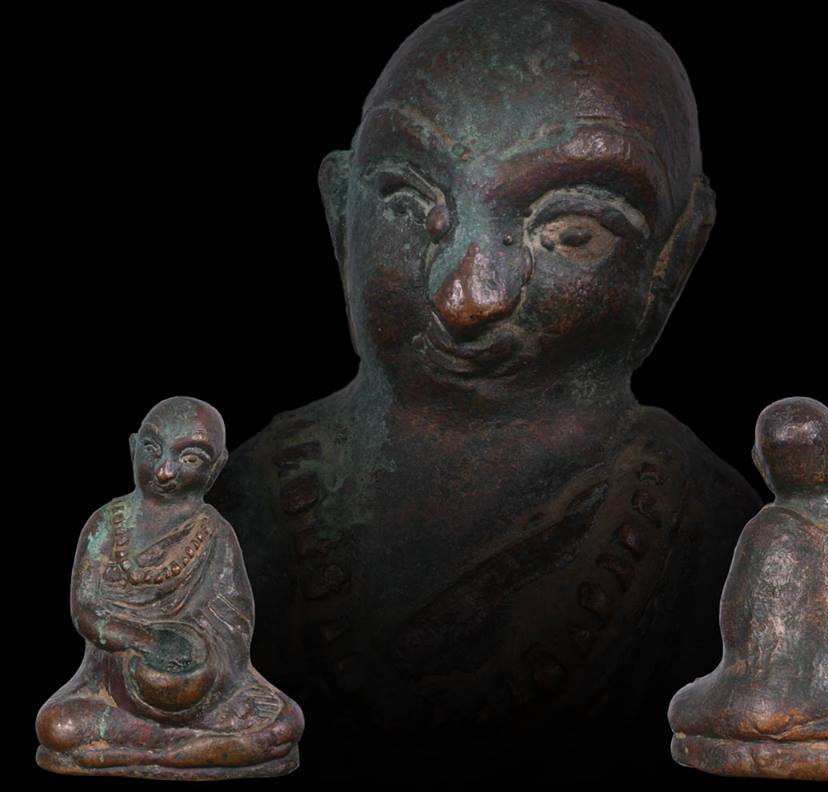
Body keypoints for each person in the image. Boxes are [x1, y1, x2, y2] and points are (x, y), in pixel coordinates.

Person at [211, 0, 760, 752]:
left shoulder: (721, 540)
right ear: (341, 219)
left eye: (571, 232)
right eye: (410, 205)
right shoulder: (237, 515)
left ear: (671, 264)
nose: (467, 297)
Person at [36, 397, 303, 780]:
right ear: (132, 448)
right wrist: (138, 639)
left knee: (287, 721)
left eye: (190, 458)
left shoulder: (215, 533)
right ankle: (188, 748)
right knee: (57, 725)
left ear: (216, 467)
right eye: (152, 449)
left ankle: (137, 749)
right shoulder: (105, 524)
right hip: (112, 679)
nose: (164, 471)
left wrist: (196, 656)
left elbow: (234, 625)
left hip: (204, 687)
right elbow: (85, 610)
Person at [668, 397, 828, 779]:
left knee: (683, 706)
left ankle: (794, 735)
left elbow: (735, 628)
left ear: (760, 466)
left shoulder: (763, 532)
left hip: (768, 708)